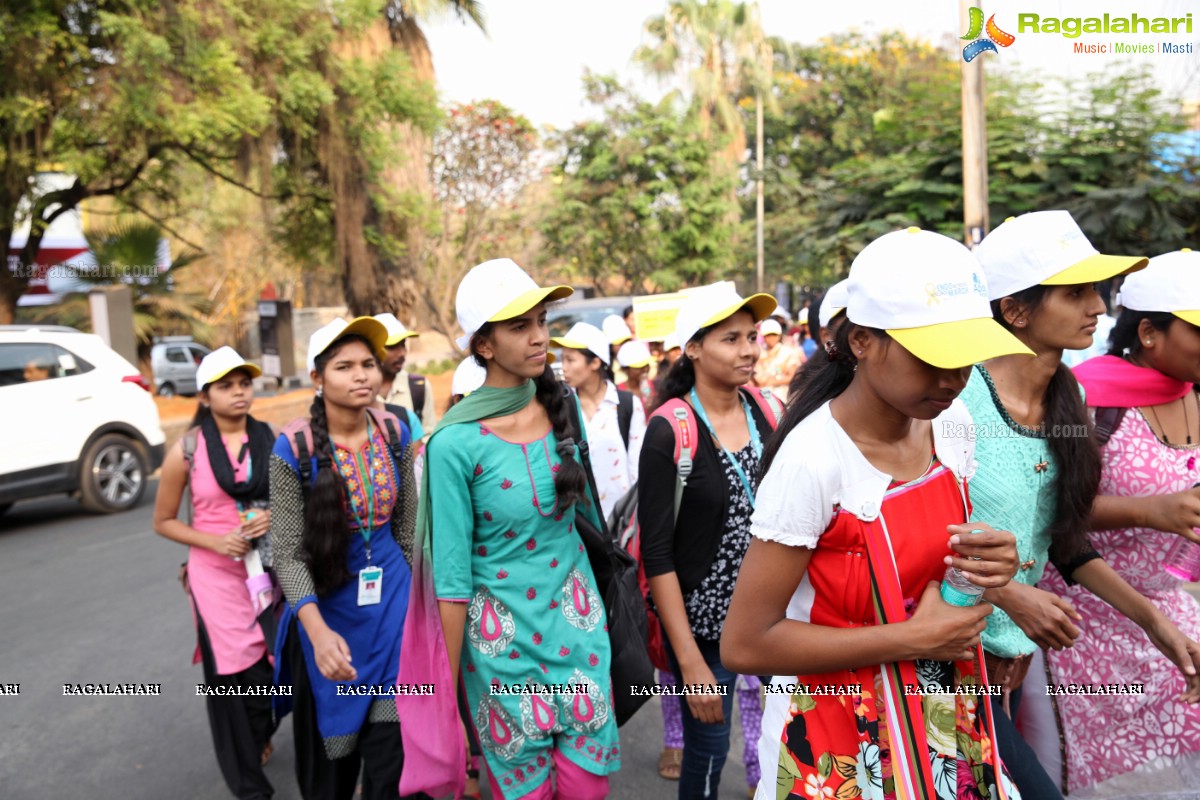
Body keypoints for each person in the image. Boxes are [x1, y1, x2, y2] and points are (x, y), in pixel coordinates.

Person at [721, 227, 1029, 800]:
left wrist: (991, 564)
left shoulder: (953, 425)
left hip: (943, 708)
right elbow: (746, 643)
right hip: (837, 732)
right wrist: (910, 639)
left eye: (965, 358)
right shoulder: (814, 460)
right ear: (862, 341)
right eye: (930, 358)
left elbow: (936, 567)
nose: (951, 378)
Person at [963, 210, 1200, 799]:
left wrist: (1156, 624)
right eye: (1075, 293)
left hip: (1010, 659)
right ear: (1015, 309)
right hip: (946, 650)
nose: (1097, 306)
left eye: (1095, 290)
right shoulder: (956, 399)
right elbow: (910, 531)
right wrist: (1008, 599)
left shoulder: (1066, 399)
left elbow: (1066, 540)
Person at [405, 258, 619, 800]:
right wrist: (446, 697)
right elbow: (452, 581)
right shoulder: (453, 444)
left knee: (587, 789)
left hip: (580, 639)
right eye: (520, 326)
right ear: (483, 345)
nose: (539, 337)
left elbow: (589, 520)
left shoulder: (562, 402)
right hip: (501, 655)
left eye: (542, 321)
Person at [1038, 248, 1200, 795]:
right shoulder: (1089, 399)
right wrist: (1148, 511)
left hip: (1175, 612)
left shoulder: (1196, 391)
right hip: (1088, 625)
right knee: (1113, 777)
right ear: (1150, 333)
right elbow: (1052, 509)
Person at [269, 316, 424, 800]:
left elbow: (407, 531)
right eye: (344, 366)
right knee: (328, 776)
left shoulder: (394, 431)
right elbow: (289, 555)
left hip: (394, 612)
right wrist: (316, 634)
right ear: (317, 379)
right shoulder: (294, 447)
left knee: (393, 764)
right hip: (326, 618)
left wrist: (423, 612)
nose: (361, 375)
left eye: (368, 365)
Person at [639, 281, 782, 800]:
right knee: (708, 751)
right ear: (693, 348)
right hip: (706, 631)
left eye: (752, 336)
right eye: (730, 339)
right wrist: (691, 663)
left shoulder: (770, 411)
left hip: (776, 618)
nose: (748, 350)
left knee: (787, 741)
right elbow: (657, 555)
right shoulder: (670, 430)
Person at [153, 347, 278, 800]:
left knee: (274, 670)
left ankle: (260, 732)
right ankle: (249, 786)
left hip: (266, 572)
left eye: (244, 383)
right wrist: (215, 541)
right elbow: (163, 520)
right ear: (205, 396)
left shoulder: (272, 439)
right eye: (226, 386)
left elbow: (293, 499)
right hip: (215, 578)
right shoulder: (186, 451)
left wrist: (272, 517)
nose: (239, 392)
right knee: (231, 680)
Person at [552, 321, 646, 521]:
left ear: (595, 362)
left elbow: (638, 468)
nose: (564, 368)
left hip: (625, 519)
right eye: (563, 360)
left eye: (570, 360)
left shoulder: (627, 406)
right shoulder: (562, 407)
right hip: (584, 521)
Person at [375, 313, 437, 437]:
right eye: (392, 347)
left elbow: (428, 435)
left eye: (403, 344)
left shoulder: (419, 387)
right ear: (373, 349)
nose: (402, 353)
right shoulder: (359, 391)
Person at [752, 318, 804, 404]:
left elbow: (793, 376)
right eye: (768, 335)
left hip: (783, 398)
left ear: (779, 336)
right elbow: (755, 377)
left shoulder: (788, 352)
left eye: (774, 335)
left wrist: (773, 381)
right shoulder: (759, 353)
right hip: (762, 399)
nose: (771, 338)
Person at [617, 339, 655, 409]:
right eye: (639, 367)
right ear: (626, 370)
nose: (645, 370)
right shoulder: (618, 392)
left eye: (646, 365)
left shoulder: (655, 386)